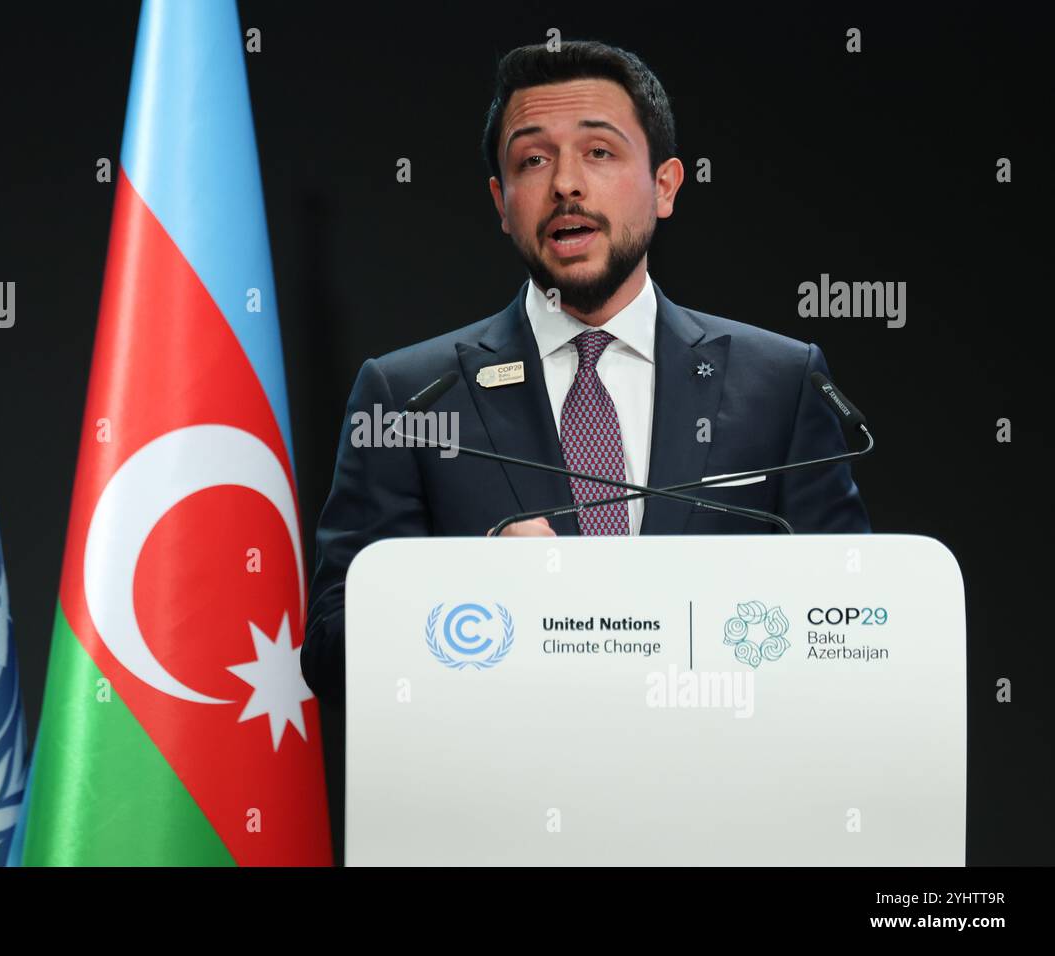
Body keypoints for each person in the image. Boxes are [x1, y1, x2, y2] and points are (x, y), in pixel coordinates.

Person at [302, 40, 870, 707]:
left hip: (714, 795)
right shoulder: (412, 398)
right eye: (533, 160)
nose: (565, 184)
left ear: (665, 186)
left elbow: (852, 628)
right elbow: (331, 656)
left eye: (599, 153)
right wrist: (461, 593)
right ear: (501, 202)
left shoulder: (780, 383)